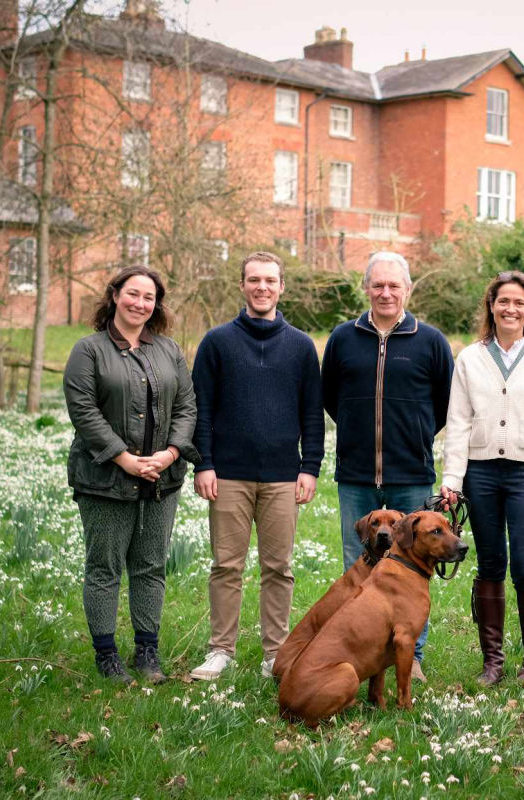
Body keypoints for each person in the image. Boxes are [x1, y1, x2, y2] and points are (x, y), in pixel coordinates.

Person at [188, 252, 324, 681]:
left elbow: (312, 414)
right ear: (243, 286)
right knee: (226, 565)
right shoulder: (217, 342)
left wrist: (311, 467)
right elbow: (201, 408)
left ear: (282, 287)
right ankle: (221, 650)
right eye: (254, 280)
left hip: (284, 475)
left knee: (278, 568)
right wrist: (203, 464)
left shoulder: (301, 346)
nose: (262, 287)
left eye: (270, 280)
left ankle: (275, 654)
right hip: (227, 474)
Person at [321, 251, 454, 682]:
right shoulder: (343, 338)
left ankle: (411, 653)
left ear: (408, 289)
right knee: (358, 562)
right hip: (356, 474)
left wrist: (412, 436)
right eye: (378, 285)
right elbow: (330, 397)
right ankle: (360, 646)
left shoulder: (430, 340)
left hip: (410, 473)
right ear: (367, 288)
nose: (386, 292)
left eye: (394, 285)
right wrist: (361, 435)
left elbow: (446, 403)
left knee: (414, 565)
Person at [63, 265, 198, 685]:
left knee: (150, 565)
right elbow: (83, 411)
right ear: (115, 295)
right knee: (104, 567)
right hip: (105, 479)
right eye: (133, 294)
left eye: (149, 297)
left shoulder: (169, 351)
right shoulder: (89, 350)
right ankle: (106, 655)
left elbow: (187, 406)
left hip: (162, 479)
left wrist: (171, 452)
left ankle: (147, 652)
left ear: (157, 305)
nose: (140, 303)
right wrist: (123, 458)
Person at [439, 271, 524, 686]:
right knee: (490, 565)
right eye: (503, 301)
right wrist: (453, 477)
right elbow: (457, 421)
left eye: (519, 302)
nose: (510, 309)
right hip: (481, 473)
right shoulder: (470, 357)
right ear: (491, 307)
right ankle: (492, 662)